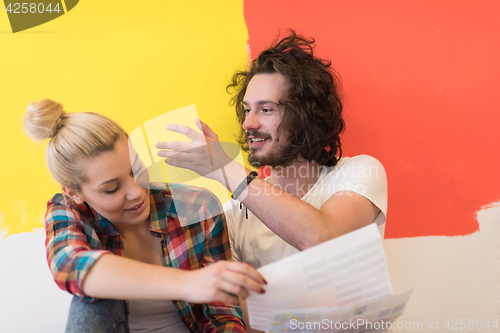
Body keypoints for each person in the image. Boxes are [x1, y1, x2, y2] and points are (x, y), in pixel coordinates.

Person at [156, 30, 387, 330]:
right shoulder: (236, 213)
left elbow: (322, 238)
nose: (248, 123)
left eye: (266, 109)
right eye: (247, 110)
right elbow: (236, 316)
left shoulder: (360, 172)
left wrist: (225, 169)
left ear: (304, 117)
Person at [24, 99, 266, 333]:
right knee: (89, 301)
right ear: (74, 193)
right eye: (112, 188)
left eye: (137, 169)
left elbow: (221, 310)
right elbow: (71, 266)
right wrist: (190, 283)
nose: (136, 191)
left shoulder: (198, 206)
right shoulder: (68, 212)